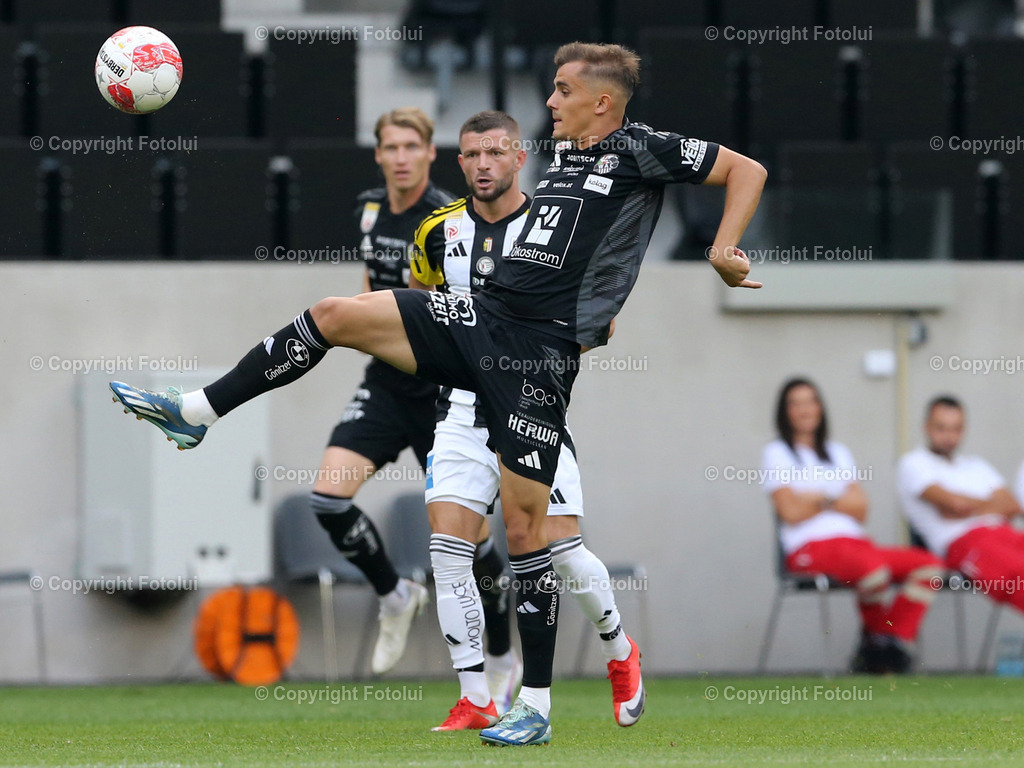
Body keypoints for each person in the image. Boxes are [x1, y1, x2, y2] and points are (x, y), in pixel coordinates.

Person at [110, 41, 765, 746]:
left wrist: (722, 249)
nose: (550, 101)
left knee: (530, 536)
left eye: (563, 90)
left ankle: (538, 704)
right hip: (483, 316)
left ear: (602, 102)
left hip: (537, 356)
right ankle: (197, 412)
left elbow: (746, 169)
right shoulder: (558, 156)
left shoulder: (640, 148)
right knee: (334, 315)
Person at [411, 110, 643, 731]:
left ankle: (619, 648)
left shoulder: (557, 224)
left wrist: (535, 354)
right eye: (471, 155)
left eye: (495, 153)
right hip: (460, 409)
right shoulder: (435, 232)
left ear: (519, 157)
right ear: (459, 163)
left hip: (530, 403)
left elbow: (600, 320)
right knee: (449, 552)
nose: (483, 164)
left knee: (560, 550)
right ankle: (477, 697)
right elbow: (423, 310)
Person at [306, 107, 450, 675]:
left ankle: (499, 656)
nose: (401, 158)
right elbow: (370, 284)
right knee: (327, 499)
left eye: (412, 146)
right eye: (391, 147)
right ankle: (395, 594)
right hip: (386, 384)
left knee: (469, 538)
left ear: (430, 152)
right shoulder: (368, 208)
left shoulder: (446, 219)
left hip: (441, 393)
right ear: (378, 154)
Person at [763, 379, 944, 673]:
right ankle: (882, 649)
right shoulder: (777, 453)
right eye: (795, 403)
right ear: (785, 411)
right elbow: (791, 512)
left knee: (929, 567)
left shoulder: (838, 452)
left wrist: (817, 498)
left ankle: (887, 641)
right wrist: (836, 498)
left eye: (810, 401)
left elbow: (860, 509)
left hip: (857, 545)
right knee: (872, 570)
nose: (804, 409)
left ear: (820, 407)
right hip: (809, 550)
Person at [898, 396, 1024, 614]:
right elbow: (954, 506)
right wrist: (991, 505)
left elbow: (1013, 506)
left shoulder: (976, 465)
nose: (949, 436)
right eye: (941, 428)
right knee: (1018, 575)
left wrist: (965, 506)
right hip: (964, 543)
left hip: (1006, 534)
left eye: (956, 429)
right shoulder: (913, 462)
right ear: (926, 427)